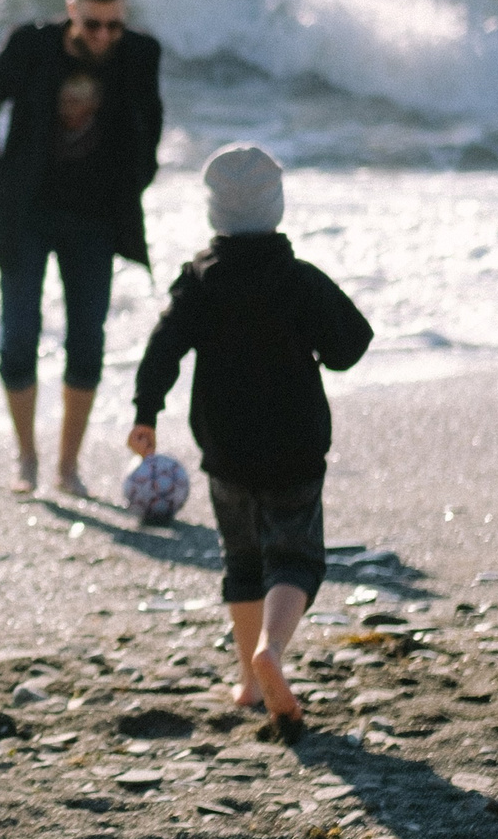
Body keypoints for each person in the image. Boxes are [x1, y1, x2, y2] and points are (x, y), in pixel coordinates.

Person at [127, 144, 372, 740]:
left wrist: (146, 412)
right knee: (294, 556)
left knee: (241, 560)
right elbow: (351, 343)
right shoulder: (299, 279)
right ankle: (272, 651)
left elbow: (162, 349)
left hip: (225, 443)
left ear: (214, 213)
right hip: (295, 439)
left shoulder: (199, 281)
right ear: (278, 207)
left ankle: (245, 678)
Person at [0, 0, 164, 497]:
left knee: (86, 343)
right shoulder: (31, 45)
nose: (103, 36)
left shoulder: (140, 55)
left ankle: (68, 467)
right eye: (93, 24)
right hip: (26, 214)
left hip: (94, 219)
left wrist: (137, 181)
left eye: (113, 25)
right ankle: (27, 457)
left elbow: (151, 127)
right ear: (72, 10)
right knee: (18, 339)